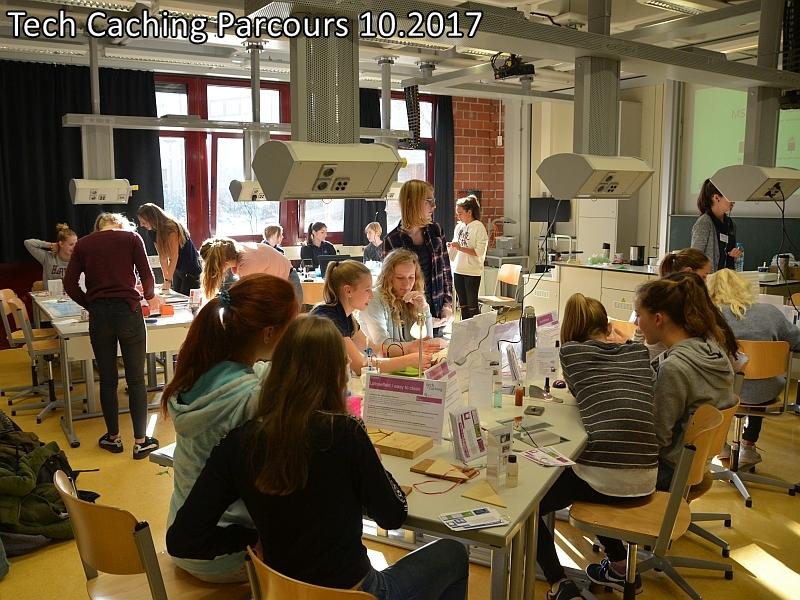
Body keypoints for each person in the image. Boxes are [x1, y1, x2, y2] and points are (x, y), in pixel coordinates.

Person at [166, 316, 469, 598]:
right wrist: (376, 466)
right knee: (453, 552)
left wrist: (247, 539)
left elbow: (182, 539)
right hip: (354, 592)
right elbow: (393, 516)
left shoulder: (238, 442)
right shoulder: (345, 433)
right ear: (336, 373)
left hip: (281, 591)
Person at [162, 274, 298, 582]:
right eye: (290, 328)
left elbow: (260, 371)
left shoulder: (196, 376)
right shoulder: (250, 400)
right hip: (230, 553)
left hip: (186, 538)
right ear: (269, 333)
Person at [537, 293, 657, 600]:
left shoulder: (571, 354)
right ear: (607, 325)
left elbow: (577, 391)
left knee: (531, 503)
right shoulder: (638, 353)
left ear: (569, 330)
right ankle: (620, 564)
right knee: (594, 475)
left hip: (606, 480)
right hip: (647, 477)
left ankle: (558, 583)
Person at [63, 213, 160, 460]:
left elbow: (70, 284)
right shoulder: (132, 238)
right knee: (136, 380)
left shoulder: (84, 244)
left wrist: (90, 304)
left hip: (100, 315)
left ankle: (113, 438)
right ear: (120, 224)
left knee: (107, 381)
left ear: (98, 228)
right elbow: (147, 277)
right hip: (128, 311)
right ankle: (141, 442)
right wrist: (149, 297)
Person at [635, 272, 736, 490]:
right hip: (697, 464)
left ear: (658, 319)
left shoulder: (675, 368)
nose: (636, 323)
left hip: (671, 472)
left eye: (638, 315)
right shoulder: (713, 349)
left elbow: (657, 438)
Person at [706, 268, 800, 467]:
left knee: (718, 381)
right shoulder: (770, 312)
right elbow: (797, 341)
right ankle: (748, 446)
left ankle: (720, 444)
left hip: (722, 392)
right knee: (758, 378)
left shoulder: (709, 317)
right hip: (764, 392)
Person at [310, 260, 437, 373]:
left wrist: (409, 348)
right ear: (348, 291)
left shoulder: (346, 317)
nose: (371, 295)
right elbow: (360, 365)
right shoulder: (329, 319)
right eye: (367, 290)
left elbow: (373, 350)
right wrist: (407, 361)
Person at [384, 180, 453, 335]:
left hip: (438, 311)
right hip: (409, 318)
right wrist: (420, 315)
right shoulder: (392, 240)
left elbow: (446, 270)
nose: (434, 206)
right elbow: (390, 287)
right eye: (429, 201)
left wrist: (447, 305)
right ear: (412, 202)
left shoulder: (436, 231)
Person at [359, 249, 435, 355]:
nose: (407, 284)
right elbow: (383, 347)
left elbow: (428, 342)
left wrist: (424, 309)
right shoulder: (374, 299)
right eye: (400, 278)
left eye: (411, 277)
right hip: (379, 362)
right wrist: (413, 348)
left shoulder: (414, 298)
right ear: (388, 277)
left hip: (409, 361)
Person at [198, 236, 302, 306]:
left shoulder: (247, 263)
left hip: (288, 283)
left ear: (223, 262)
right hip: (279, 284)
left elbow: (245, 294)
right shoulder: (239, 253)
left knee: (289, 328)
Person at [136, 203, 201, 295]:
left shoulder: (171, 228)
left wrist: (168, 280)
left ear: (152, 218)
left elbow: (174, 256)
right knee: (175, 294)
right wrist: (166, 279)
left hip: (190, 269)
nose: (141, 225)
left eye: (144, 222)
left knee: (185, 297)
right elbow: (162, 256)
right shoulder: (152, 232)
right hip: (177, 269)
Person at [448, 195, 489, 320]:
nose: (458, 216)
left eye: (460, 213)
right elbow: (456, 244)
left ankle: (476, 329)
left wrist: (460, 248)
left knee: (472, 305)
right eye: (457, 213)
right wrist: (452, 246)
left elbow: (479, 252)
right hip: (458, 269)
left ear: (469, 212)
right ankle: (465, 327)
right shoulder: (459, 227)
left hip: (472, 271)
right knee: (463, 305)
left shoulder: (478, 227)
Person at [691, 179, 741, 273]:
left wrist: (733, 255)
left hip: (727, 277)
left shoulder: (731, 224)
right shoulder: (704, 223)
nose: (733, 201)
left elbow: (726, 255)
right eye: (729, 196)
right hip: (710, 278)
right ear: (716, 198)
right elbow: (695, 257)